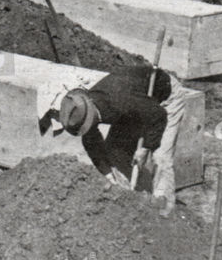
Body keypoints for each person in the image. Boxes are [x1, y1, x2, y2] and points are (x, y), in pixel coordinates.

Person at [52, 65, 179, 204]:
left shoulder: (119, 100)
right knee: (114, 150)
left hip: (165, 98)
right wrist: (109, 176)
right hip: (137, 106)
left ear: (91, 117)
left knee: (160, 157)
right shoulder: (85, 110)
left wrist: (145, 148)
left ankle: (165, 207)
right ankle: (134, 197)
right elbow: (92, 144)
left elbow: (158, 115)